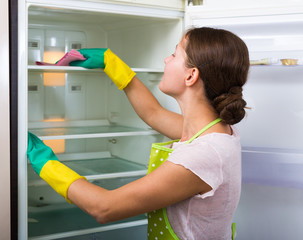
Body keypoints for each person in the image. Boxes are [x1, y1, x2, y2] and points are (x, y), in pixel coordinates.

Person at [27, 27, 249, 240]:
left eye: (174, 54)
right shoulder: (213, 131)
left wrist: (46, 164)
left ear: (191, 76)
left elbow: (105, 207)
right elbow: (153, 114)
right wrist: (113, 65)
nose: (166, 59)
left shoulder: (203, 155)